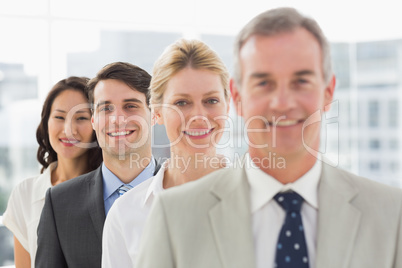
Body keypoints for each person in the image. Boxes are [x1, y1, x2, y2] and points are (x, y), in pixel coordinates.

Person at [135, 8, 402, 268]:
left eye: (301, 81)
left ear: (328, 91)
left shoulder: (391, 215)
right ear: (237, 98)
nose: (282, 103)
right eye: (263, 83)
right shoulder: (173, 217)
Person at [101, 38, 230, 268]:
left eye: (211, 100)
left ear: (227, 106)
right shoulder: (125, 215)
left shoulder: (261, 202)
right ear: (156, 113)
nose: (199, 116)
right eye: (182, 102)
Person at [35, 62, 160, 268]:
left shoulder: (185, 194)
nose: (117, 119)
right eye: (106, 108)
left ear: (154, 114)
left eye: (130, 106)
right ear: (94, 120)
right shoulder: (59, 204)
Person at [2, 76, 102, 268]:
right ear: (46, 122)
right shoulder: (25, 193)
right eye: (59, 117)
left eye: (81, 118)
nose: (69, 130)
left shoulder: (111, 190)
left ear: (96, 124)